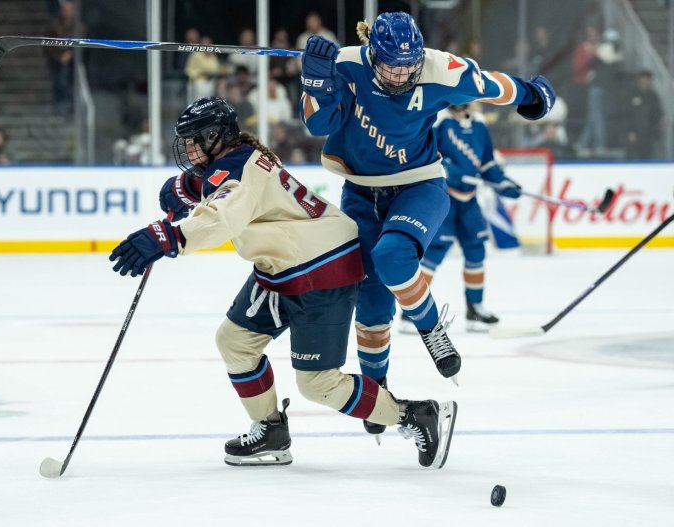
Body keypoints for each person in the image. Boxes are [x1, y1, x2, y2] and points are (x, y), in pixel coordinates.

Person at [108, 97, 458, 467]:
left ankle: (415, 415)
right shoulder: (239, 157)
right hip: (284, 264)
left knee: (318, 383)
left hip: (321, 270)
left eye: (196, 139)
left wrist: (168, 237)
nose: (189, 147)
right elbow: (222, 185)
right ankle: (271, 430)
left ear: (216, 136)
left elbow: (223, 216)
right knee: (236, 341)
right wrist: (189, 188)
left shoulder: (238, 173)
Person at [298, 12, 554, 436]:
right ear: (372, 55)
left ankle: (432, 330)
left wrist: (530, 94)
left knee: (393, 257)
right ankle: (376, 392)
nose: (402, 74)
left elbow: (489, 84)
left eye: (409, 65)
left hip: (419, 184)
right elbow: (317, 123)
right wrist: (316, 82)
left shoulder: (439, 68)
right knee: (371, 297)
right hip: (360, 191)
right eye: (392, 65)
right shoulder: (345, 65)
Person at [398, 104, 521, 334]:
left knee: (476, 251)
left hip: (469, 200)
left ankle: (475, 309)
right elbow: (422, 153)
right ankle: (412, 313)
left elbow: (487, 164)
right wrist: (446, 168)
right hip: (443, 198)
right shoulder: (439, 120)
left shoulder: (480, 124)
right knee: (434, 252)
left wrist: (502, 182)